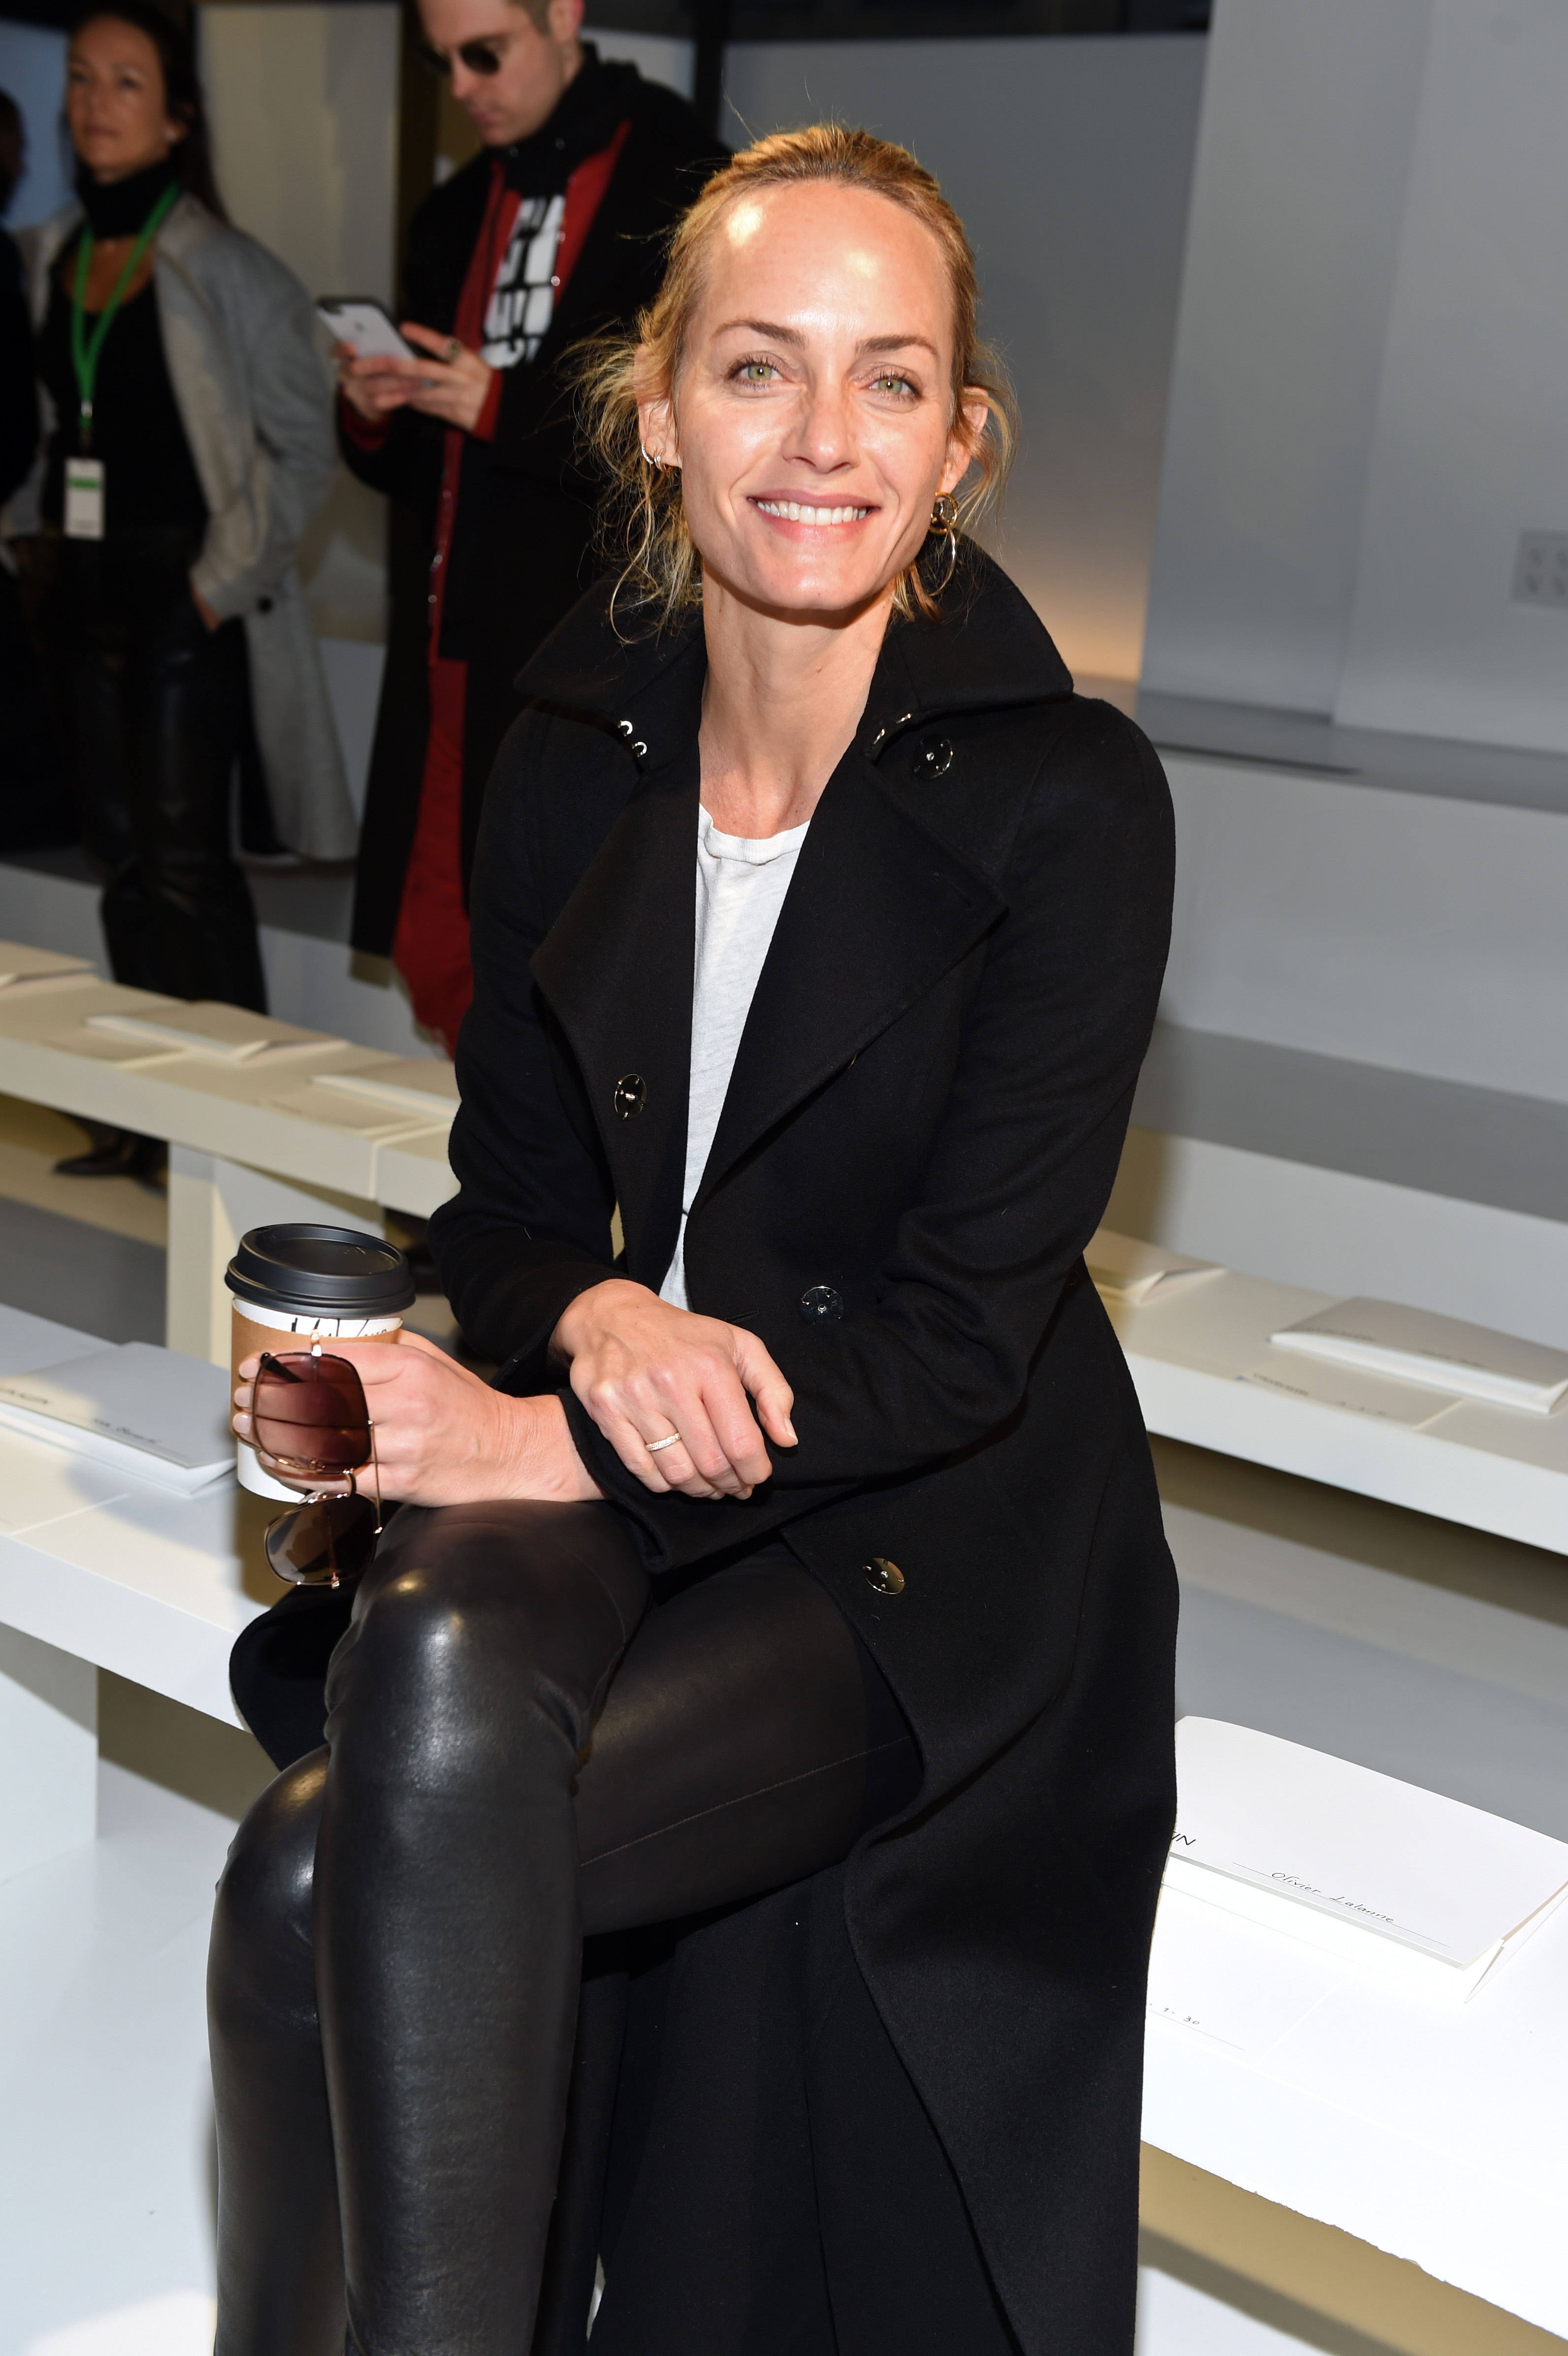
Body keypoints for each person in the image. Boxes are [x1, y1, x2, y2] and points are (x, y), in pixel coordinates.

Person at [211, 126, 1178, 2356]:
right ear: (656, 412)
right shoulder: (573, 746)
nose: (824, 437)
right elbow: (510, 1202)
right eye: (758, 367)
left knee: (309, 1875)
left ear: (958, 438)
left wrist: (535, 1438)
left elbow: (957, 1346)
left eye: (889, 379)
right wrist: (592, 1311)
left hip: (918, 1532)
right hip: (645, 1434)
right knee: (327, 1819)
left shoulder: (1068, 800)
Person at [336, 0, 724, 1054]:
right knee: (450, 941)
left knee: (571, 957)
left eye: (485, 54)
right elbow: (419, 465)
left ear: (562, 14)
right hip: (453, 632)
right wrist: (375, 410)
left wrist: (501, 406)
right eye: (443, 63)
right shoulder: (455, 209)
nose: (462, 87)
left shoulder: (683, 180)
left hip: (599, 645)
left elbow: (699, 425)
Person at [16, 1, 355, 1173]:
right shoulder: (52, 254)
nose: (93, 103)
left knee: (184, 869)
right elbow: (44, 426)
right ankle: (141, 1121)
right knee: (119, 864)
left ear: (176, 119)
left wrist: (215, 587)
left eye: (125, 82)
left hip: (182, 592)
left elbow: (303, 446)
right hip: (76, 586)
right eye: (80, 78)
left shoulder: (226, 265)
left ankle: (232, 1133)